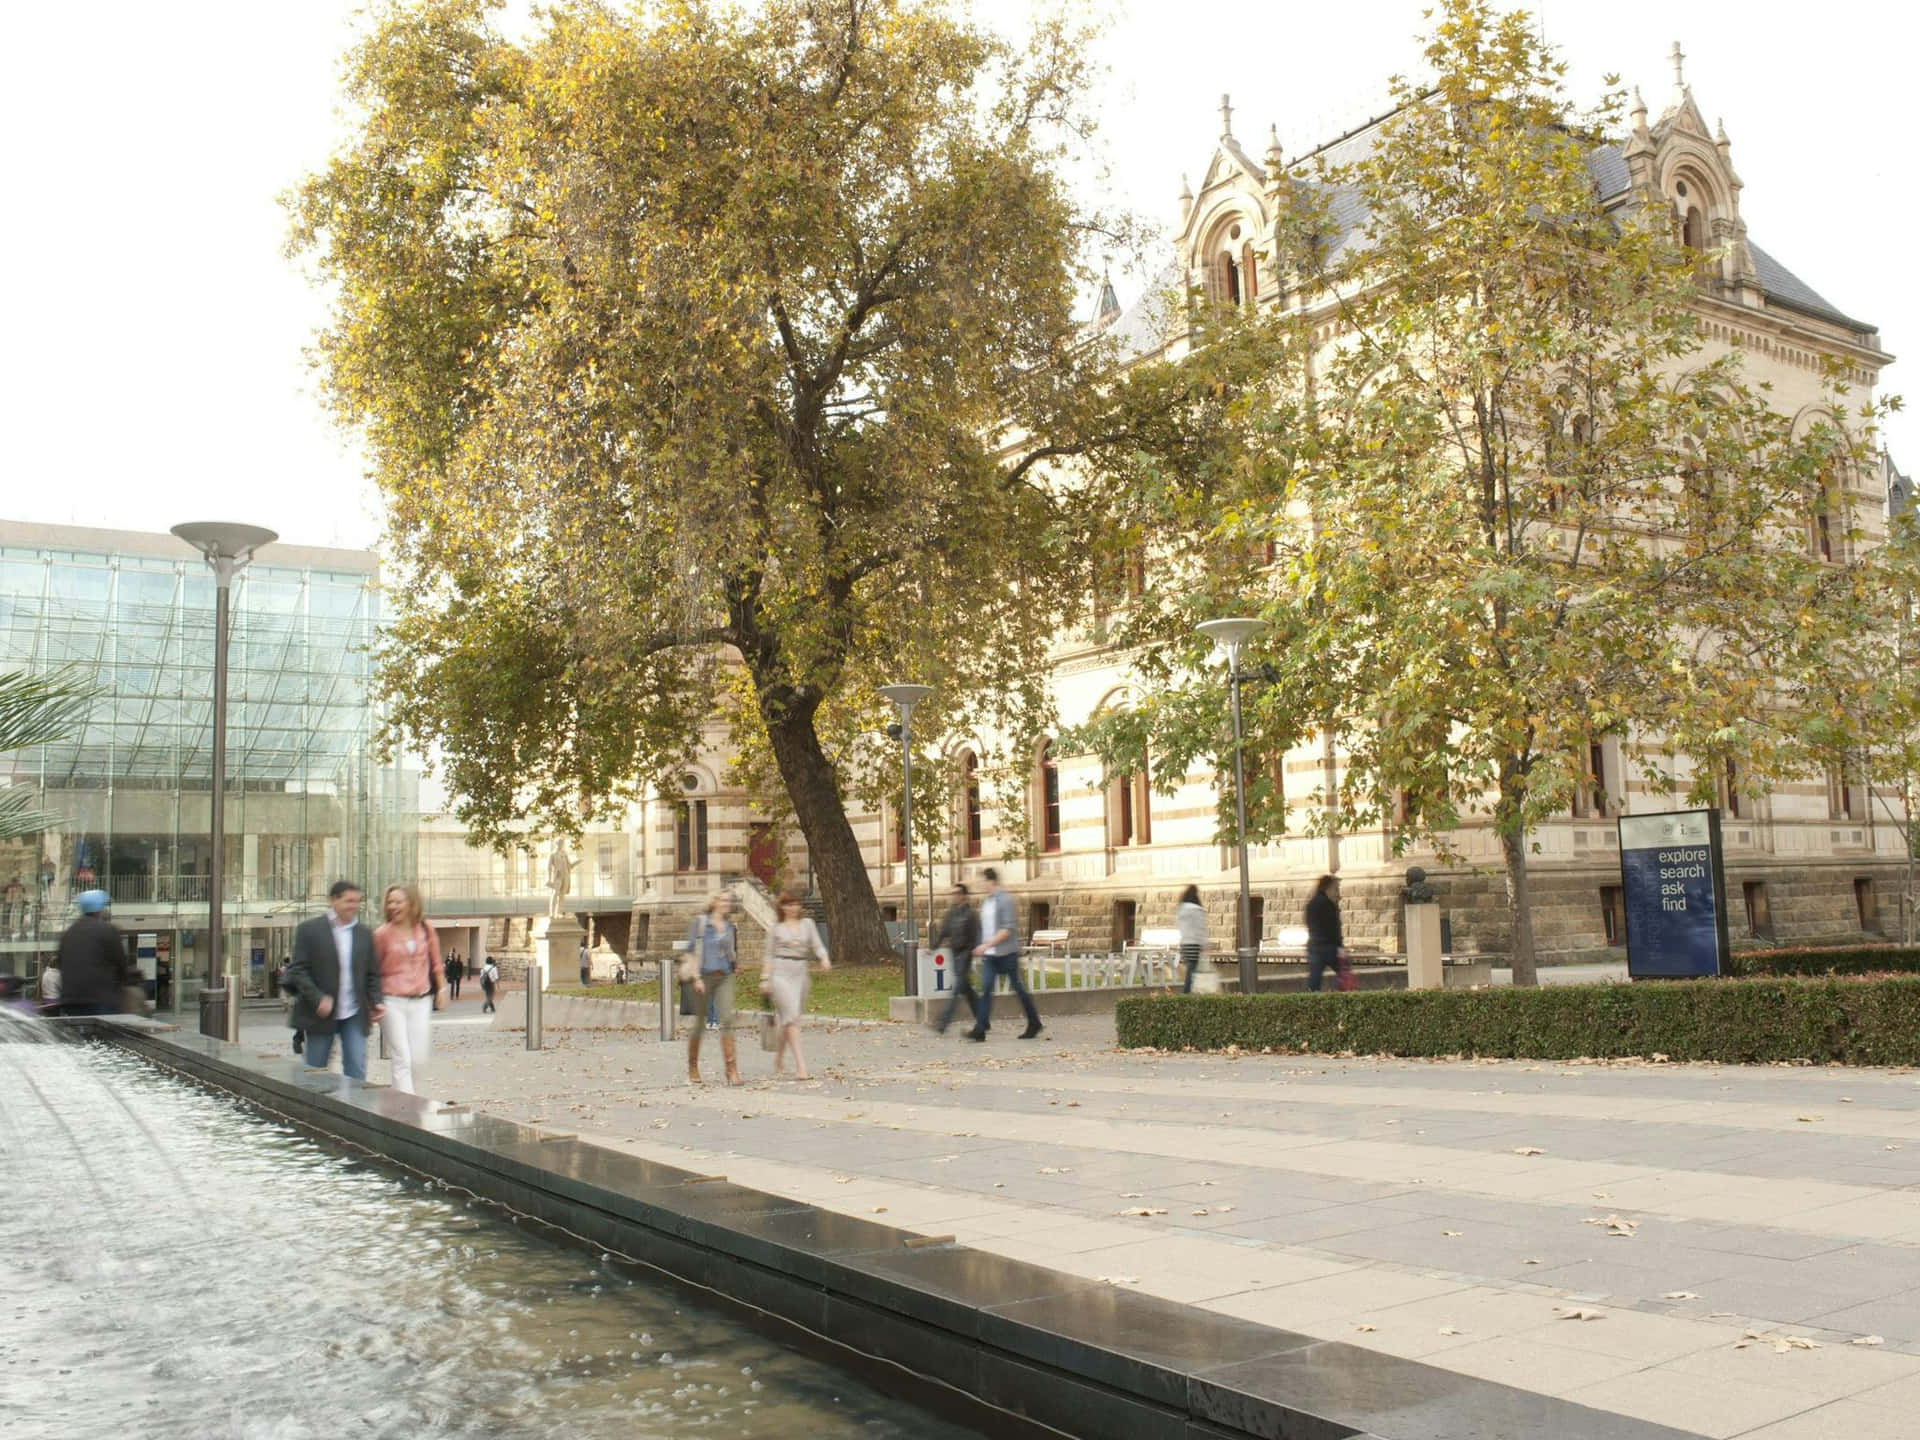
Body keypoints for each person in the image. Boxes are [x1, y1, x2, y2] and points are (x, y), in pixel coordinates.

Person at [285, 880, 383, 1079]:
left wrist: (377, 1000)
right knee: (315, 1070)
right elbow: (298, 970)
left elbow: (372, 974)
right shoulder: (310, 930)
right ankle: (310, 1106)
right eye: (349, 901)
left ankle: (354, 1108)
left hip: (354, 1013)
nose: (354, 906)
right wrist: (317, 998)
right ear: (333, 901)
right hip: (320, 1014)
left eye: (357, 901)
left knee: (356, 1068)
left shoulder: (364, 934)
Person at [374, 883, 445, 1096]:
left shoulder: (425, 928)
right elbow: (372, 971)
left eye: (398, 901)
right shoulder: (382, 934)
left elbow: (436, 962)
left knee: (418, 1058)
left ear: (411, 904)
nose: (393, 906)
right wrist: (373, 1001)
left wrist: (442, 989)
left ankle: (402, 1097)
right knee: (401, 1056)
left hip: (421, 1000)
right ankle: (407, 1106)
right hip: (391, 1000)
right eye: (390, 902)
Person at [763, 889, 831, 1080]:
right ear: (782, 907)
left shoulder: (807, 924)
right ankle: (801, 1067)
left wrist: (824, 958)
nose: (794, 908)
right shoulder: (776, 928)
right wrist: (765, 978)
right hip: (780, 972)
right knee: (792, 1018)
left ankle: (778, 1057)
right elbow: (768, 954)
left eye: (796, 904)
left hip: (800, 973)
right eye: (789, 904)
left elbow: (817, 945)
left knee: (788, 1020)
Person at [969, 868, 1041, 1042]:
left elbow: (1007, 929)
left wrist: (986, 945)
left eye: (982, 881)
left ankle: (1034, 1022)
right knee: (985, 989)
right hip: (990, 956)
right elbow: (985, 928)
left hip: (1007, 954)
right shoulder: (986, 902)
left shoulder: (1005, 900)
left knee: (1019, 990)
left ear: (991, 881)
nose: (980, 885)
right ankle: (980, 1028)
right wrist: (979, 945)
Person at [686, 893, 740, 1086]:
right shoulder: (700, 923)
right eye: (724, 900)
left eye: (729, 901)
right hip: (703, 976)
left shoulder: (729, 926)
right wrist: (696, 977)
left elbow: (730, 951)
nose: (727, 904)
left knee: (727, 1020)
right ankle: (693, 1066)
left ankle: (731, 1069)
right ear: (714, 902)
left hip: (724, 976)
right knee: (700, 1024)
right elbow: (691, 952)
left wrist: (735, 965)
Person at [51, 889, 130, 1016]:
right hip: (101, 1000)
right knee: (106, 1035)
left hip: (71, 1001)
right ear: (100, 909)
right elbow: (121, 964)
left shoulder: (68, 933)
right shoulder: (108, 930)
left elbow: (61, 963)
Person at [932, 884, 980, 1034]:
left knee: (957, 988)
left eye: (958, 893)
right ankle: (982, 1018)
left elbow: (976, 934)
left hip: (965, 954)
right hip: (954, 952)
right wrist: (933, 947)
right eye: (953, 893)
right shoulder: (951, 913)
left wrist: (973, 950)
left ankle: (943, 1022)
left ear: (964, 895)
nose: (955, 896)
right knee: (966, 989)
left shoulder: (971, 914)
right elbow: (944, 932)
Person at [1305, 873, 1345, 992]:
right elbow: (1334, 928)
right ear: (1328, 888)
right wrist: (1340, 946)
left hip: (1315, 946)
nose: (1337, 893)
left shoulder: (1311, 904)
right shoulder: (1328, 905)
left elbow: (1310, 925)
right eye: (1336, 889)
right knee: (1345, 974)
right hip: (1329, 947)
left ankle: (1311, 1001)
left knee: (1314, 981)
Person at [1176, 884, 1209, 993]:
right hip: (1194, 943)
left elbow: (1179, 926)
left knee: (1189, 969)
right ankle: (1187, 992)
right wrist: (1204, 943)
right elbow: (1200, 928)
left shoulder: (1181, 908)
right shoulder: (1197, 909)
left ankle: (1189, 991)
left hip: (1184, 943)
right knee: (1192, 970)